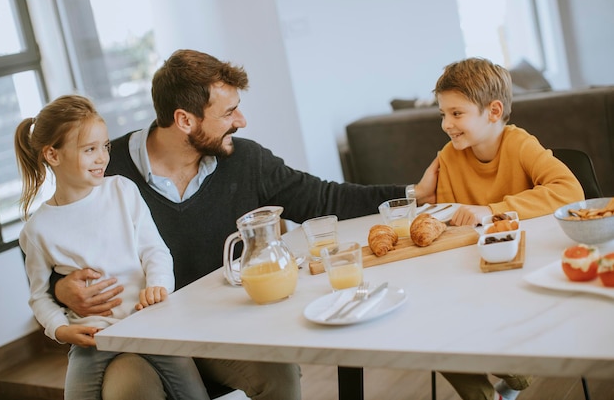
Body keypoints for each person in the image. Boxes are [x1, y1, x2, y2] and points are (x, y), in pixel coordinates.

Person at [49, 50, 407, 400]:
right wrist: (61, 288)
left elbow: (325, 199)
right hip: (141, 338)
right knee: (128, 388)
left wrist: (411, 193)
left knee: (277, 372)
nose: (241, 121)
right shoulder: (108, 170)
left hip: (219, 329)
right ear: (185, 120)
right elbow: (51, 241)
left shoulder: (245, 159)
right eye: (229, 112)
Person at [407, 57, 584, 400]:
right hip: (472, 279)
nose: (446, 124)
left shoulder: (519, 145)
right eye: (442, 114)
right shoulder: (448, 156)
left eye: (457, 113)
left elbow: (570, 191)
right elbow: (448, 223)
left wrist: (490, 211)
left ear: (493, 110)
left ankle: (519, 370)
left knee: (480, 342)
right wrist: (424, 204)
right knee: (433, 326)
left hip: (521, 275)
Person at [14, 95, 211, 400]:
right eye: (89, 150)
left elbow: (154, 251)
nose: (102, 158)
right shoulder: (37, 229)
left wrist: (159, 286)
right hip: (93, 340)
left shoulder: (122, 190)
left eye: (104, 147)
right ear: (52, 155)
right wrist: (60, 329)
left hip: (150, 324)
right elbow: (39, 296)